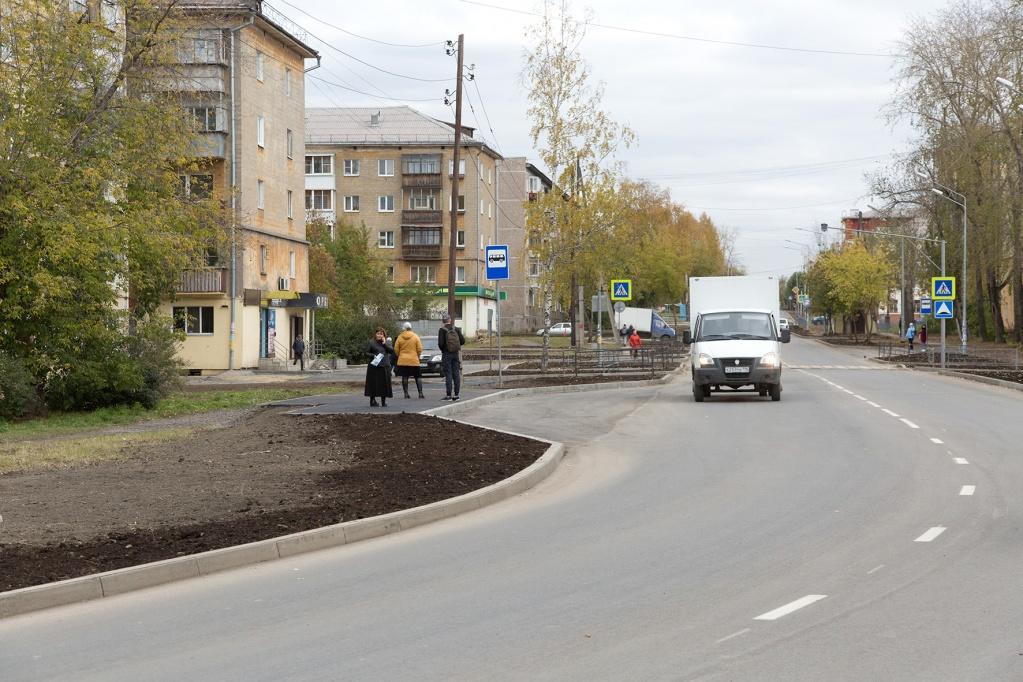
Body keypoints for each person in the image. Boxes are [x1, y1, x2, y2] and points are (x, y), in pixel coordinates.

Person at [364, 328, 397, 407]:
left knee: (384, 384)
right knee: (373, 384)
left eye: (381, 334)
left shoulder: (386, 342)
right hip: (374, 366)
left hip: (384, 366)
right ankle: (372, 400)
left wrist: (384, 344)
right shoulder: (371, 342)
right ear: (375, 334)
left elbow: (392, 351)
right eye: (378, 333)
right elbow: (366, 352)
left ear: (384, 335)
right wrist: (373, 356)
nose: (379, 335)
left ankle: (383, 401)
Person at [438, 314, 465, 401]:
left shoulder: (442, 330)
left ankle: (449, 395)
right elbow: (463, 341)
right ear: (450, 320)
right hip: (455, 354)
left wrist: (444, 349)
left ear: (443, 321)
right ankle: (456, 395)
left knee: (448, 374)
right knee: (456, 374)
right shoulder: (456, 329)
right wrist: (455, 347)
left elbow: (440, 344)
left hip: (446, 354)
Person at [394, 322, 425, 399]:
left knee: (405, 377)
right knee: (417, 377)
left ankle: (406, 393)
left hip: (403, 360)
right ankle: (420, 393)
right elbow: (420, 349)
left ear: (404, 328)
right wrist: (416, 355)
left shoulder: (400, 337)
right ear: (411, 328)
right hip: (414, 360)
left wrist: (400, 355)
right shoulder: (415, 336)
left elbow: (396, 349)